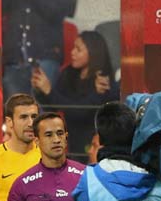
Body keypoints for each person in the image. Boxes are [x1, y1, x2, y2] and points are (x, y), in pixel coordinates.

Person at [33, 31, 120, 160]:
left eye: (78, 49)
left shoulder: (102, 80)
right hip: (70, 141)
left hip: (91, 146)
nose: (72, 52)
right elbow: (54, 107)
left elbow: (80, 111)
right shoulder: (69, 73)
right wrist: (40, 91)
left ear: (93, 53)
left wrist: (49, 91)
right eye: (73, 47)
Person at [1, 0, 71, 98]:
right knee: (16, 115)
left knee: (41, 115)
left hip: (44, 61)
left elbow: (56, 12)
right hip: (14, 62)